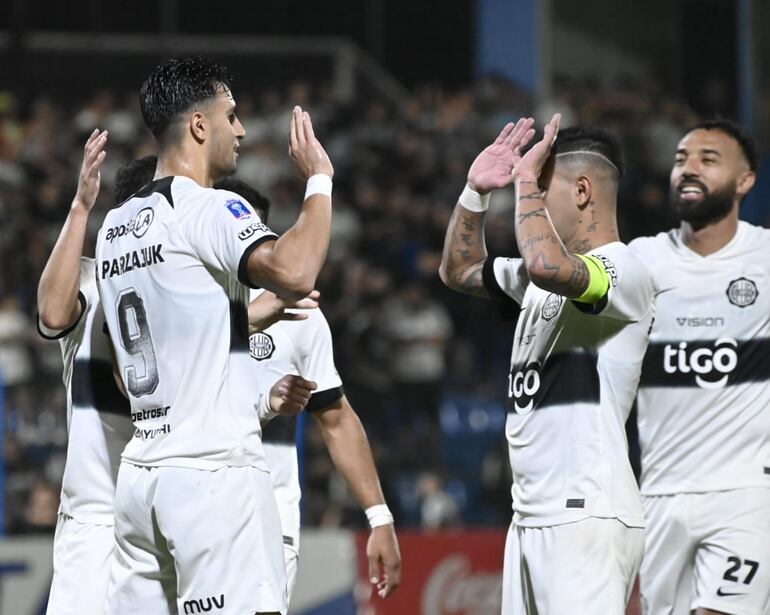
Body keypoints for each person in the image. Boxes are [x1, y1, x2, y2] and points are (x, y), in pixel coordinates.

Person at [95, 57, 333, 615]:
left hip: (139, 477)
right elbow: (296, 270)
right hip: (212, 475)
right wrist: (319, 179)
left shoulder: (114, 226)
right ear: (200, 125)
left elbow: (147, 346)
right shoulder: (209, 206)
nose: (242, 130)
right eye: (232, 114)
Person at [115, 158, 402, 602]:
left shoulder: (301, 315)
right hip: (176, 490)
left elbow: (337, 418)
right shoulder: (178, 305)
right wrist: (265, 402)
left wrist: (378, 516)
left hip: (262, 508)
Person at [440, 116, 655, 614]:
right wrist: (474, 192)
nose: (529, 194)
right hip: (531, 516)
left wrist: (520, 184)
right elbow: (458, 269)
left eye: (540, 184)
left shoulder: (624, 270)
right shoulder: (541, 283)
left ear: (583, 191)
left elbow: (546, 265)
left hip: (586, 514)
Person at [630, 119, 770, 615]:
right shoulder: (640, 262)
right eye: (680, 159)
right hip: (659, 494)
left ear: (746, 180)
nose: (688, 169)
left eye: (708, 160)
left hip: (746, 489)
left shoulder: (766, 258)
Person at [36, 129, 135, 615]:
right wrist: (79, 206)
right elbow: (53, 315)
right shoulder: (93, 281)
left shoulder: (193, 290)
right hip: (95, 514)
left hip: (167, 506)